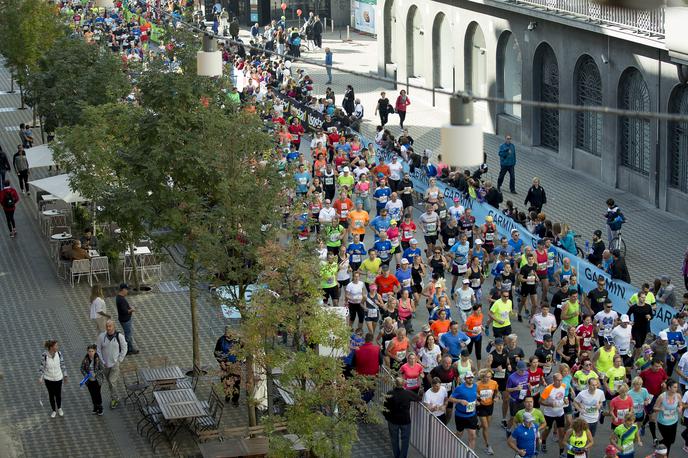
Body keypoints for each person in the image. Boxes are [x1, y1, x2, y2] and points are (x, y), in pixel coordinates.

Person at [384, 377, 419, 458]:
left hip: (393, 420)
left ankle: (397, 455)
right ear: (404, 384)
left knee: (394, 440)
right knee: (405, 440)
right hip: (405, 420)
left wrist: (387, 418)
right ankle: (402, 456)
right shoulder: (407, 393)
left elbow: (384, 408)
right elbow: (418, 398)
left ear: (394, 384)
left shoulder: (390, 393)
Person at [97, 320, 127, 409]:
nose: (108, 328)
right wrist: (102, 361)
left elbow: (125, 347)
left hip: (115, 364)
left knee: (112, 381)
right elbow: (98, 349)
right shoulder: (102, 337)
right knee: (110, 383)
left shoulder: (119, 336)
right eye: (107, 326)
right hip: (105, 365)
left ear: (114, 326)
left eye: (110, 326)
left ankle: (115, 399)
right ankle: (114, 397)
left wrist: (119, 360)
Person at [448, 370, 479, 450]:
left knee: (473, 436)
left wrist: (476, 401)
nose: (470, 379)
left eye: (471, 377)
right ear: (465, 378)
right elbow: (450, 399)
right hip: (460, 415)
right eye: (468, 378)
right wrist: (460, 401)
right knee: (459, 434)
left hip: (472, 415)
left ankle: (470, 454)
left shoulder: (475, 386)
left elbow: (474, 396)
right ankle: (452, 440)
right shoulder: (459, 388)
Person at [540, 373, 569, 455]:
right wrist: (549, 404)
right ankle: (543, 442)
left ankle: (561, 453)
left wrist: (565, 399)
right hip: (549, 414)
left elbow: (564, 396)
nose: (559, 382)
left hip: (560, 413)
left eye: (561, 380)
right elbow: (540, 401)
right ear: (553, 380)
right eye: (557, 380)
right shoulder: (548, 389)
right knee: (547, 430)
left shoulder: (563, 386)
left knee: (561, 433)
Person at [39, 339, 67, 418]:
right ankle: (54, 410)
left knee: (58, 394)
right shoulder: (44, 355)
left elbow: (63, 365)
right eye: (56, 346)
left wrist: (65, 375)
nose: (57, 347)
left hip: (58, 378)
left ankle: (59, 408)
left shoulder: (59, 354)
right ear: (51, 347)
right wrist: (41, 377)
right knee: (51, 395)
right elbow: (42, 367)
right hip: (48, 379)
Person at [653, 379, 682, 454]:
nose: (677, 389)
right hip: (663, 422)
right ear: (669, 388)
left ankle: (658, 442)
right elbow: (654, 408)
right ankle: (665, 455)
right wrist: (660, 409)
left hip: (674, 421)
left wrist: (680, 408)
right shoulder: (662, 397)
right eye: (675, 387)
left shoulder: (678, 396)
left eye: (677, 387)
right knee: (668, 442)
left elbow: (680, 405)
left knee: (672, 440)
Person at [476, 368, 499, 455]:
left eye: (489, 377)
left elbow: (497, 392)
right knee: (486, 426)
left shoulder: (494, 383)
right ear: (482, 377)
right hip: (481, 406)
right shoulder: (477, 385)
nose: (487, 379)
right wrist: (476, 399)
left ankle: (478, 427)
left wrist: (497, 397)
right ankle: (487, 446)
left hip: (490, 405)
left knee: (487, 425)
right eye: (485, 377)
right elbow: (473, 394)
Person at [80, 344, 104, 415]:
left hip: (97, 380)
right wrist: (86, 375)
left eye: (92, 351)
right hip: (89, 380)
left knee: (97, 394)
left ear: (95, 351)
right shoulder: (85, 360)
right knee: (92, 394)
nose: (91, 353)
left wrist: (96, 374)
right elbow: (82, 368)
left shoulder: (98, 359)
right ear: (87, 352)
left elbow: (102, 368)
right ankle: (95, 407)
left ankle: (100, 408)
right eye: (89, 351)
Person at [115, 283, 138, 354]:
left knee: (128, 334)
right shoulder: (121, 299)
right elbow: (124, 311)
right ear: (123, 290)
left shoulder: (120, 298)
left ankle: (128, 348)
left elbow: (125, 308)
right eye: (127, 290)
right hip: (125, 319)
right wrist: (132, 309)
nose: (127, 291)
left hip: (124, 319)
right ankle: (128, 349)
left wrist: (129, 307)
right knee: (128, 335)